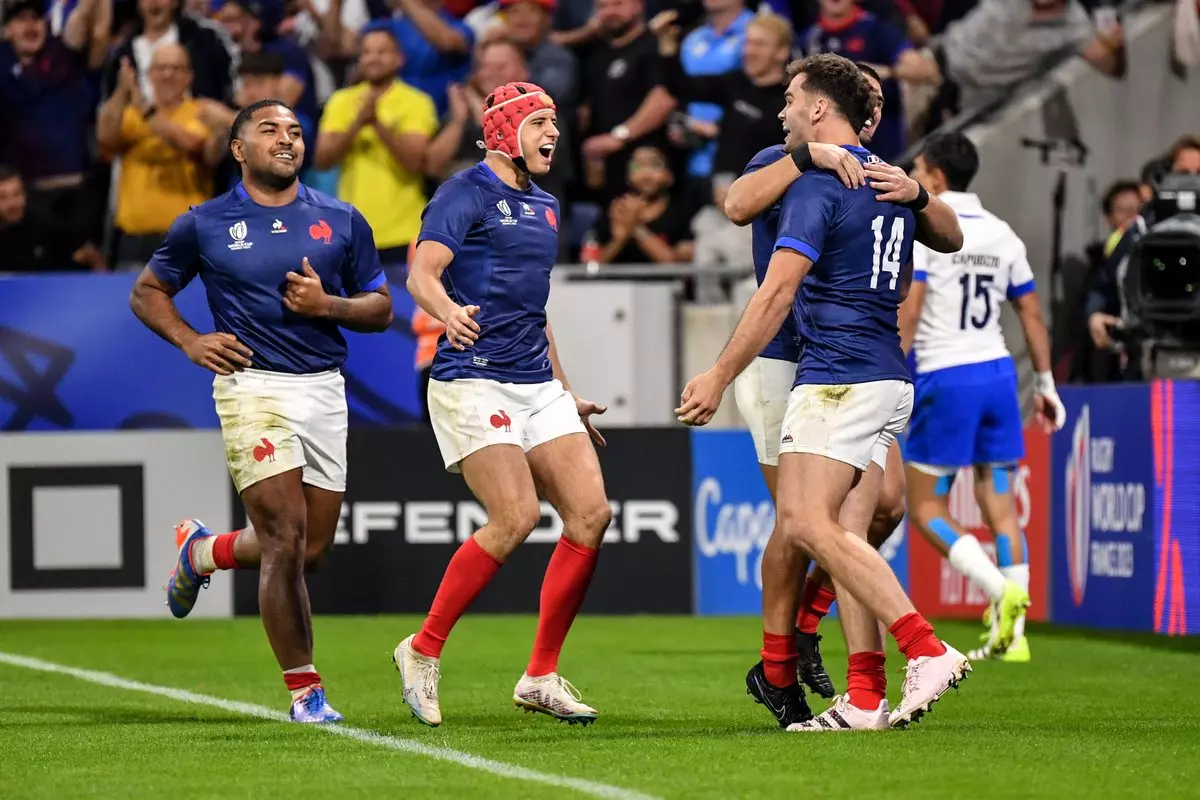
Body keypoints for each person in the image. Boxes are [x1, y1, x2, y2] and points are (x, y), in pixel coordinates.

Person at [677, 54, 969, 732]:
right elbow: (737, 203)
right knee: (817, 522)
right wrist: (812, 155)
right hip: (799, 363)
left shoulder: (865, 177)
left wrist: (918, 193)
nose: (780, 106)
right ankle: (803, 672)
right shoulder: (798, 162)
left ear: (820, 105)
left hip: (837, 367)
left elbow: (942, 237)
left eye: (789, 96)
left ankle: (881, 655)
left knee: (847, 517)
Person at [129, 99, 393, 724]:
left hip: (324, 388)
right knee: (284, 538)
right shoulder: (206, 222)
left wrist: (328, 306)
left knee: (313, 549)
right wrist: (191, 340)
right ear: (239, 149)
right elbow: (148, 291)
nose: (287, 140)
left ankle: (205, 551)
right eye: (269, 130)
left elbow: (381, 308)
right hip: (252, 388)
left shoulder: (341, 218)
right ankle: (306, 692)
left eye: (296, 132)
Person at [395, 82, 612, 729]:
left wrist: (566, 390)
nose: (554, 134)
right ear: (505, 130)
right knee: (515, 516)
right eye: (541, 122)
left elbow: (533, 309)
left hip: (535, 382)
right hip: (470, 377)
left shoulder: (545, 207)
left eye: (556, 123)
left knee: (591, 515)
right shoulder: (464, 192)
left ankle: (540, 675)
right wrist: (446, 311)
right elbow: (422, 273)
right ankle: (422, 649)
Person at [897, 131, 1064, 665]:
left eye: (920, 169)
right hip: (996, 375)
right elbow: (1031, 314)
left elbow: (912, 312)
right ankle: (1014, 639)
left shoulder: (929, 228)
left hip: (947, 376)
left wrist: (895, 374)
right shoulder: (1003, 235)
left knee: (924, 506)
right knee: (1000, 504)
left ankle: (999, 591)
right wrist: (1045, 385)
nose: (917, 177)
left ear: (938, 178)